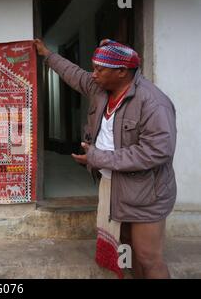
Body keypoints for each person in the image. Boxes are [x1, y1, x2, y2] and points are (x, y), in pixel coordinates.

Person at [34, 38, 177, 279]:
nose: (94, 74)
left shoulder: (154, 103)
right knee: (130, 250)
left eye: (100, 69)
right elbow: (75, 74)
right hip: (114, 187)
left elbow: (157, 151)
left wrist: (98, 158)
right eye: (94, 67)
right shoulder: (100, 88)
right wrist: (47, 55)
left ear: (122, 72)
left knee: (148, 258)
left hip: (146, 192)